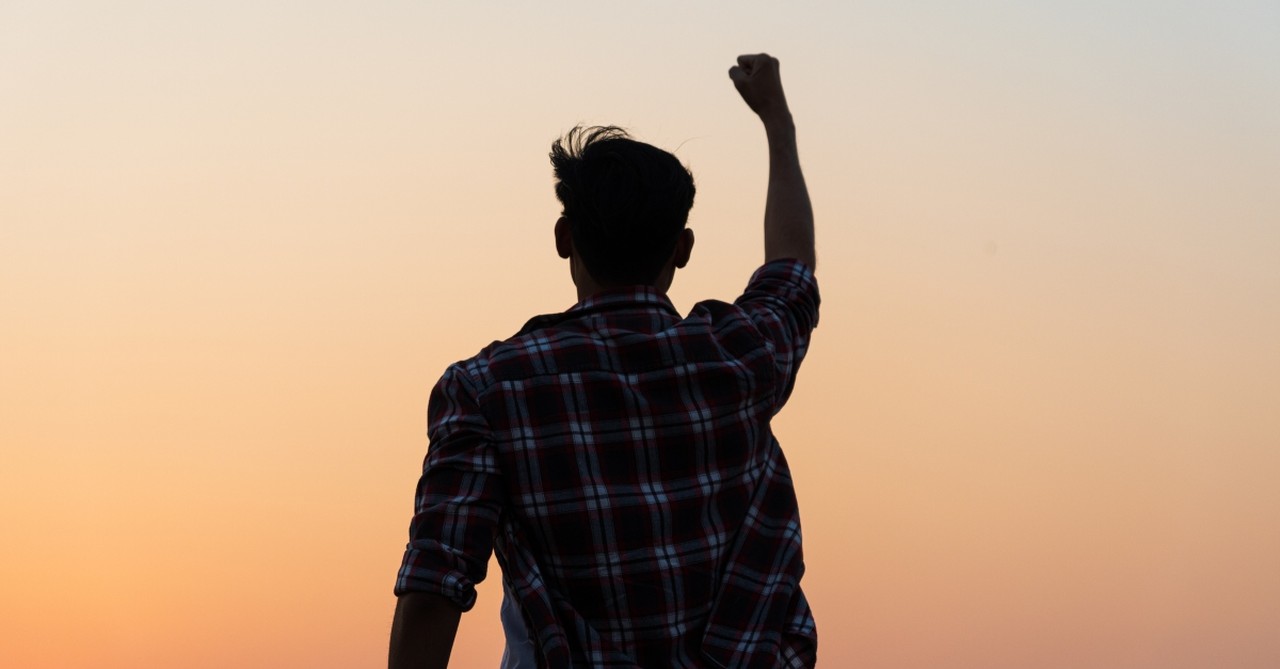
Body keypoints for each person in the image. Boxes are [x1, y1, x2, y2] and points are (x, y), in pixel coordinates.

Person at [389, 53, 819, 669]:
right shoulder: (742, 356)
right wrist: (777, 120)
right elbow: (792, 264)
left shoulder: (489, 390)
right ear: (683, 249)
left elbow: (437, 579)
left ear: (565, 238)